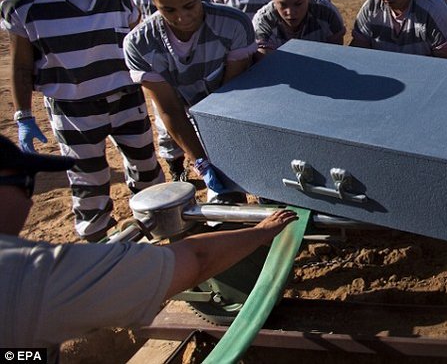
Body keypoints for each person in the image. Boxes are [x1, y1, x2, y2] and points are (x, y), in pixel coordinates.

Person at [0, 134, 298, 356]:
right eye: (25, 183)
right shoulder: (30, 275)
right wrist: (262, 231)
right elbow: (196, 259)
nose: (30, 197)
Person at [1, 0, 164, 241]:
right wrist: (23, 115)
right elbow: (21, 65)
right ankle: (100, 247)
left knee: (146, 169)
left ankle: (156, 234)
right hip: (74, 110)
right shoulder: (23, 7)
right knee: (88, 181)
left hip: (127, 99)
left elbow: (138, 45)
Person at [124, 0, 257, 203]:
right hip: (188, 117)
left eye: (190, 5)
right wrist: (201, 161)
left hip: (235, 115)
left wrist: (231, 153)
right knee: (225, 202)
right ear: (153, 2)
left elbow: (233, 95)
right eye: (169, 10)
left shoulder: (233, 24)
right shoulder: (140, 44)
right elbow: (170, 110)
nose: (183, 18)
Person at [253, 0, 346, 57]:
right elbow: (265, 64)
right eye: (283, 4)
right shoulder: (263, 21)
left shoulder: (327, 14)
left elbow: (336, 55)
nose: (290, 12)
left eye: (298, 4)